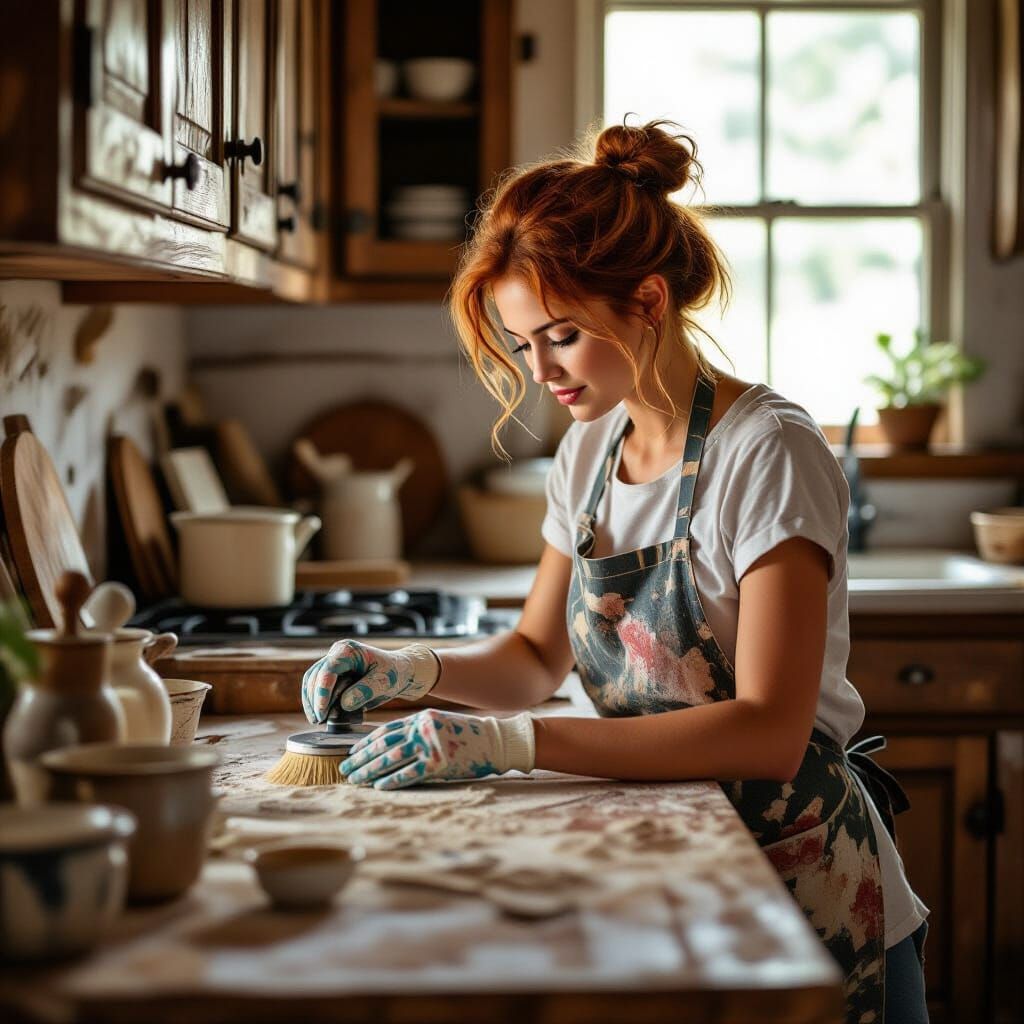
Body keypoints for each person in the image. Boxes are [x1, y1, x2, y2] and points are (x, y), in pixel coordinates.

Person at [300, 120, 929, 1024]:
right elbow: (531, 656)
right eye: (523, 345)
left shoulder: (769, 451)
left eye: (559, 335)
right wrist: (413, 670)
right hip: (669, 868)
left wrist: (514, 746)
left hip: (801, 885)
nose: (541, 370)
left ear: (646, 300)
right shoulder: (591, 449)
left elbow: (769, 733)